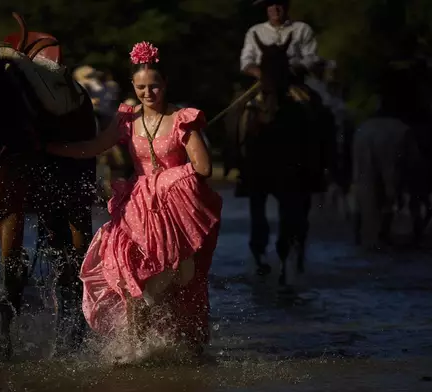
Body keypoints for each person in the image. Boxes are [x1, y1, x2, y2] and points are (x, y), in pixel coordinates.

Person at [46, 41, 222, 362]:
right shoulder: (127, 119)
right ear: (133, 87)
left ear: (165, 84)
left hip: (173, 212)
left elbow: (204, 169)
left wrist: (163, 180)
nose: (148, 93)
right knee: (128, 276)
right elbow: (95, 146)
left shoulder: (183, 119)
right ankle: (136, 348)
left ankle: (172, 348)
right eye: (141, 87)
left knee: (166, 283)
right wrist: (53, 149)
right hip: (135, 209)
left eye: (154, 86)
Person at [240, 0, 320, 80]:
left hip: (297, 79)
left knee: (321, 91)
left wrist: (293, 70)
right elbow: (246, 60)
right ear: (266, 8)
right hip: (265, 82)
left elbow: (311, 57)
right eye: (270, 4)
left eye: (279, 3)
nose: (275, 8)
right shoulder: (254, 31)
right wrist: (260, 73)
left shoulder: (302, 28)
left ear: (286, 5)